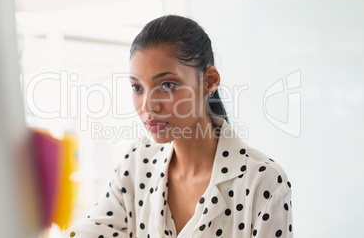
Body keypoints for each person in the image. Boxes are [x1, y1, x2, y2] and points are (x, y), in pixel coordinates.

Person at [61, 15, 293, 237]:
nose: (148, 106)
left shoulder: (263, 181)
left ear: (209, 81)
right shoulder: (137, 162)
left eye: (167, 84)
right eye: (137, 87)